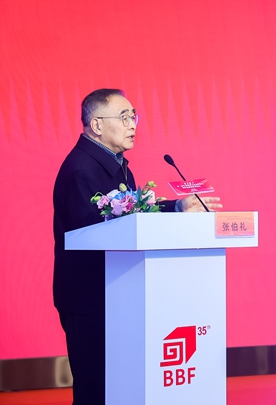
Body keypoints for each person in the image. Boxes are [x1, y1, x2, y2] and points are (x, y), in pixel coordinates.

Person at [53, 89, 222, 404]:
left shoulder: (116, 166)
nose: (132, 124)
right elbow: (95, 234)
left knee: (119, 387)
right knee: (95, 389)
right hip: (90, 298)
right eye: (124, 117)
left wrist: (177, 207)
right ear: (96, 125)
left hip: (116, 293)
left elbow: (131, 215)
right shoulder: (81, 170)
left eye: (134, 116)